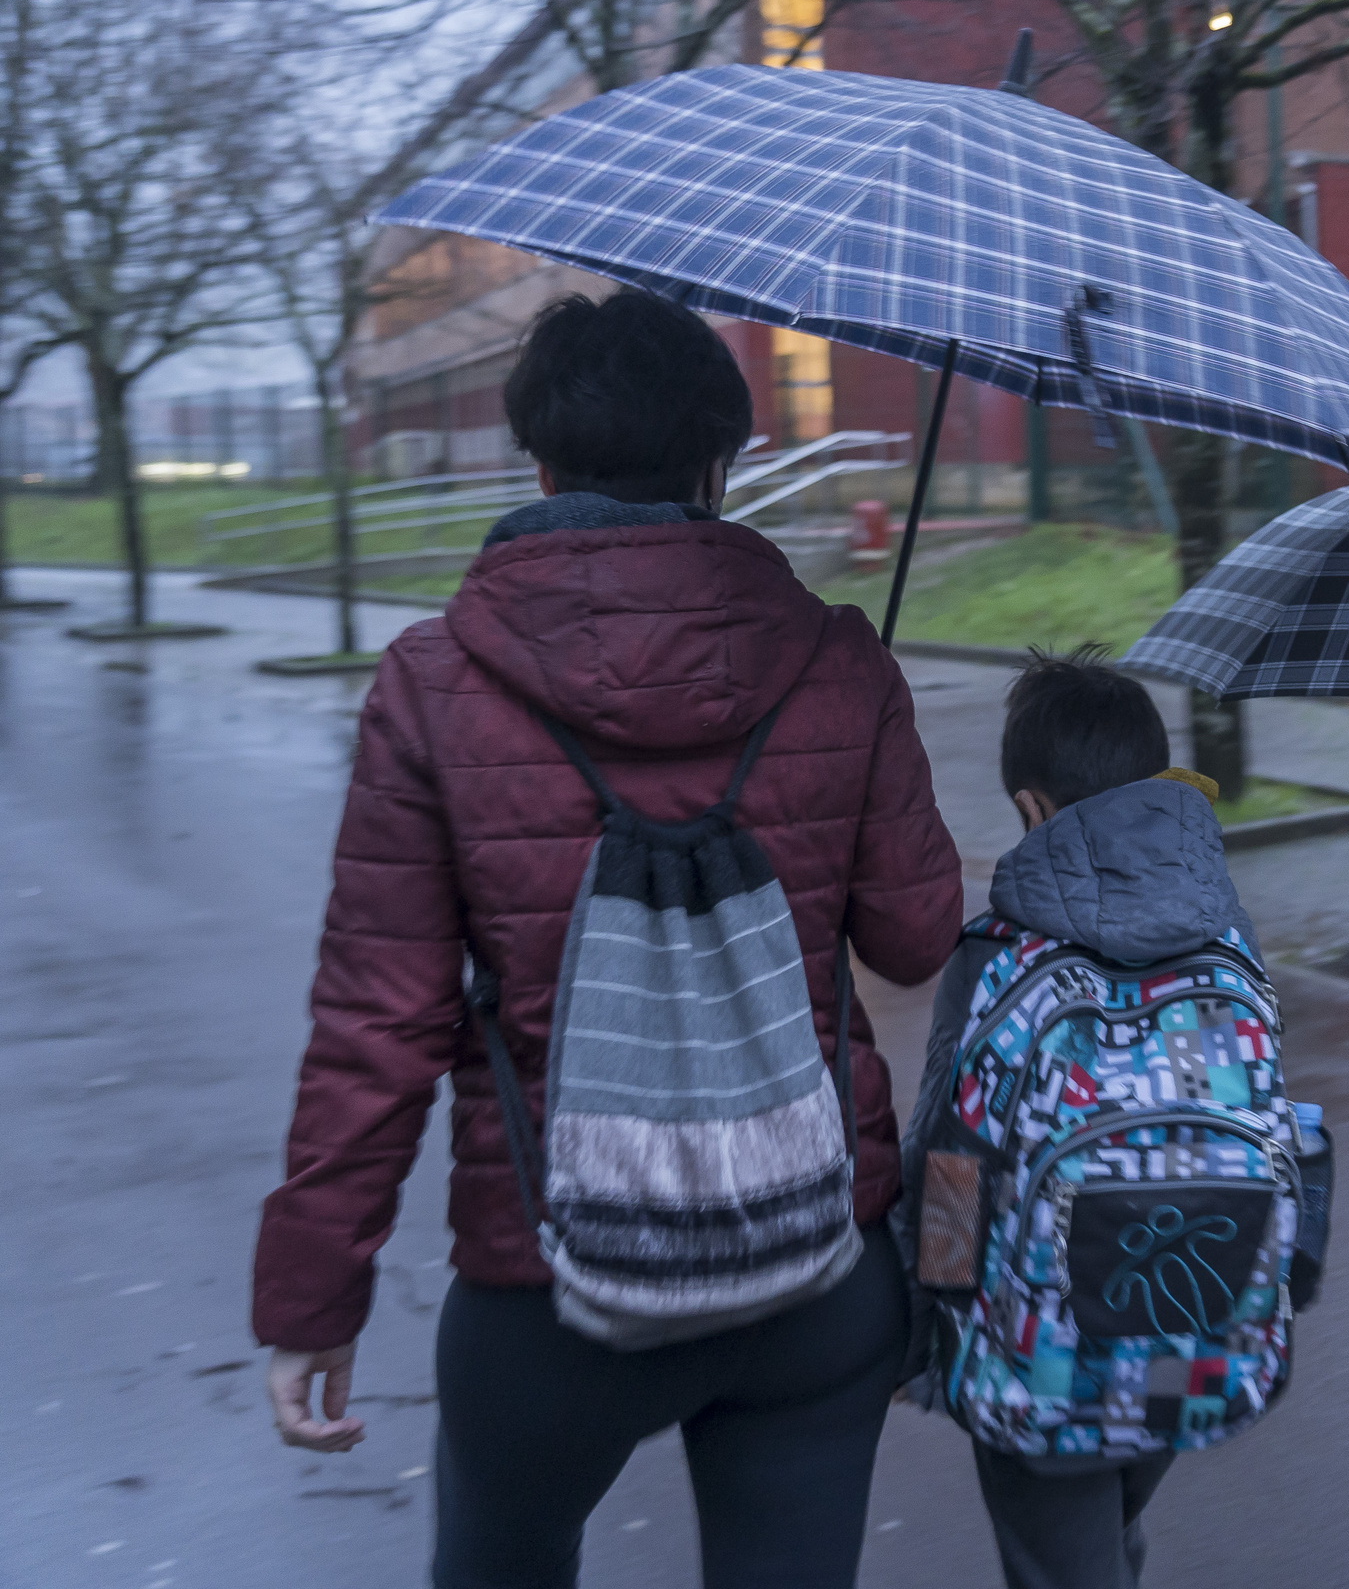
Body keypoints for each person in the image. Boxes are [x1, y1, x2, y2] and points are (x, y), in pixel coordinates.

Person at [252, 289, 962, 1589]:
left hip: (549, 1290)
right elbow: (921, 940)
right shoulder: (843, 664)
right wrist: (860, 739)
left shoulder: (431, 683)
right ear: (721, 462)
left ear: (539, 459)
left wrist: (312, 1299)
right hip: (815, 1270)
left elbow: (378, 1024)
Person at [929, 648, 1275, 1588]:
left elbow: (953, 1159)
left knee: (1063, 1552)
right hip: (1194, 1330)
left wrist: (938, 1327)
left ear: (1031, 809)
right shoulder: (1226, 935)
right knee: (1114, 1520)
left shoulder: (997, 955)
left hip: (1038, 1357)